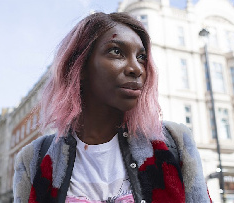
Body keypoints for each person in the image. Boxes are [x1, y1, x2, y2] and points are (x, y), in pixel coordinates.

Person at [13, 12, 211, 203]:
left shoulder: (174, 143)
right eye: (116, 51)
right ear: (78, 66)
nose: (136, 69)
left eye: (141, 57)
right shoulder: (35, 158)